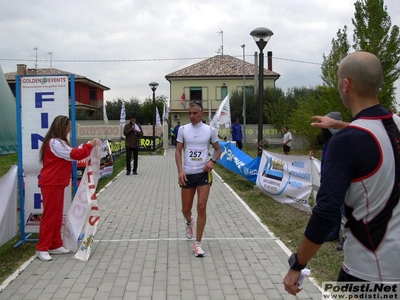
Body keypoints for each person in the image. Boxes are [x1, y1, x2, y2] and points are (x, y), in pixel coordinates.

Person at [283, 51, 400, 295]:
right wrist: (340, 124)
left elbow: (325, 212)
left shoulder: (346, 142)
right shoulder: (394, 125)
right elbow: (378, 130)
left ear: (346, 84)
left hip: (370, 269)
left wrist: (298, 263)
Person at [36, 115, 96, 262]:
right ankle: (42, 248)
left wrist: (86, 146)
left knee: (56, 216)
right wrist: (89, 145)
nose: (70, 129)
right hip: (51, 183)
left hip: (57, 183)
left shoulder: (59, 142)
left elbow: (72, 153)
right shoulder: (55, 143)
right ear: (62, 127)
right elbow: (74, 154)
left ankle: (55, 244)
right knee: (50, 216)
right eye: (68, 127)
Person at [175, 100, 222, 257]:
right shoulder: (183, 129)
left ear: (201, 114)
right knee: (185, 209)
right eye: (190, 113)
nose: (191, 116)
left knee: (202, 207)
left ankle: (198, 243)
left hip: (203, 174)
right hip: (187, 174)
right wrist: (180, 171)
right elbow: (177, 151)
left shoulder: (210, 130)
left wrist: (212, 161)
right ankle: (189, 222)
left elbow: (218, 150)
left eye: (195, 113)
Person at [319, 111, 343, 243]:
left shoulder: (337, 140)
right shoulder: (328, 141)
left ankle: (344, 237)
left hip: (337, 180)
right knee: (334, 207)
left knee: (343, 209)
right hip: (329, 178)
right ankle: (334, 233)